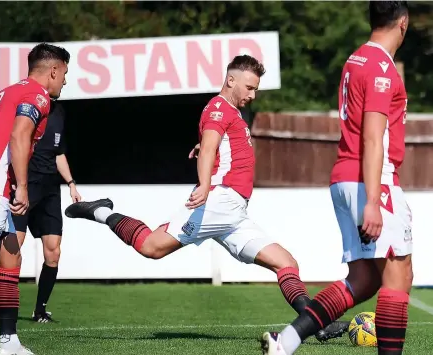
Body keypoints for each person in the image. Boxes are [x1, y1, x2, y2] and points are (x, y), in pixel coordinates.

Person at [64, 54, 350, 343]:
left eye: (256, 90)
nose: (253, 95)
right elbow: (212, 146)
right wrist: (203, 183)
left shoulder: (230, 113)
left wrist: (203, 149)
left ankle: (317, 326)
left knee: (286, 262)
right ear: (230, 80)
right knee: (152, 247)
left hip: (234, 213)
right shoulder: (217, 108)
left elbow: (214, 145)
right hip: (217, 202)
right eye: (249, 87)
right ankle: (98, 212)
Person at [260, 2, 412, 354]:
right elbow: (373, 137)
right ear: (403, 23)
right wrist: (373, 201)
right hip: (371, 181)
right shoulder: (381, 68)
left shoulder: (355, 59)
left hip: (344, 178)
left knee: (364, 279)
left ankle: (286, 342)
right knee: (398, 274)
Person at [0, 43, 70, 355]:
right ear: (54, 71)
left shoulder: (1, 93)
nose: (65, 82)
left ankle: (9, 342)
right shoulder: (38, 95)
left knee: (10, 258)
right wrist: (21, 187)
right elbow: (19, 136)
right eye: (65, 75)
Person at [0, 100, 81, 324]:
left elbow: (58, 153)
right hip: (25, 187)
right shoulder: (26, 107)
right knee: (10, 250)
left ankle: (40, 311)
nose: (63, 81)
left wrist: (72, 183)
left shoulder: (59, 112)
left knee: (53, 252)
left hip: (50, 191)